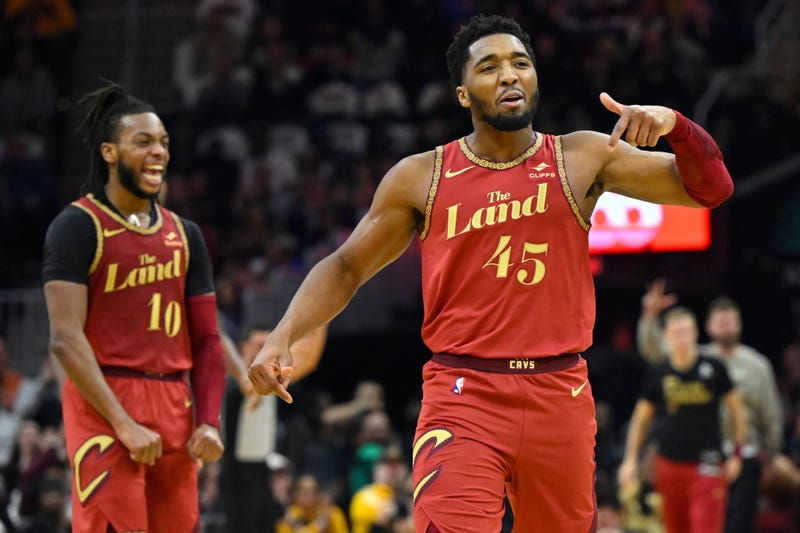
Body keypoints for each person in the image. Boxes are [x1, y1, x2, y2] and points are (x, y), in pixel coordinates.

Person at [248, 14, 734, 532]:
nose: (508, 76)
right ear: (463, 94)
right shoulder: (421, 176)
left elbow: (711, 190)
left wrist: (675, 125)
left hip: (560, 393)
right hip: (464, 393)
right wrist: (284, 334)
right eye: (490, 67)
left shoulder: (583, 156)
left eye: (520, 63)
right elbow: (346, 266)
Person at [41, 80, 226, 533]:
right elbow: (65, 339)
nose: (158, 152)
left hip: (173, 403)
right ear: (109, 152)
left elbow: (207, 340)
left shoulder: (186, 234)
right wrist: (122, 423)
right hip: (104, 398)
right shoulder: (77, 226)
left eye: (163, 142)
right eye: (142, 142)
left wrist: (209, 422)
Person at [637, 280, 784, 533]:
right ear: (706, 327)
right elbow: (656, 351)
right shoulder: (695, 358)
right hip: (703, 457)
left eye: (731, 320)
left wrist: (770, 455)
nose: (726, 326)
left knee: (737, 526)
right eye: (721, 321)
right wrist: (650, 316)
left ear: (740, 324)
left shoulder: (757, 365)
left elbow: (771, 414)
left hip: (743, 455)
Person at [618, 306, 747, 533]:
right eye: (677, 332)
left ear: (696, 334)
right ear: (666, 337)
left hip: (708, 464)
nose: (683, 338)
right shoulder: (660, 372)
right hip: (669, 465)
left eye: (687, 331)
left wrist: (737, 453)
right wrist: (630, 460)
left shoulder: (714, 368)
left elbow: (738, 411)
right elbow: (640, 419)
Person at [220, 320, 326, 533]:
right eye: (258, 347)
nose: (263, 353)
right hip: (235, 479)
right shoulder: (239, 383)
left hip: (263, 474)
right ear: (243, 348)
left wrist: (324, 315)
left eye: (266, 347)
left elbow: (309, 359)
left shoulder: (270, 379)